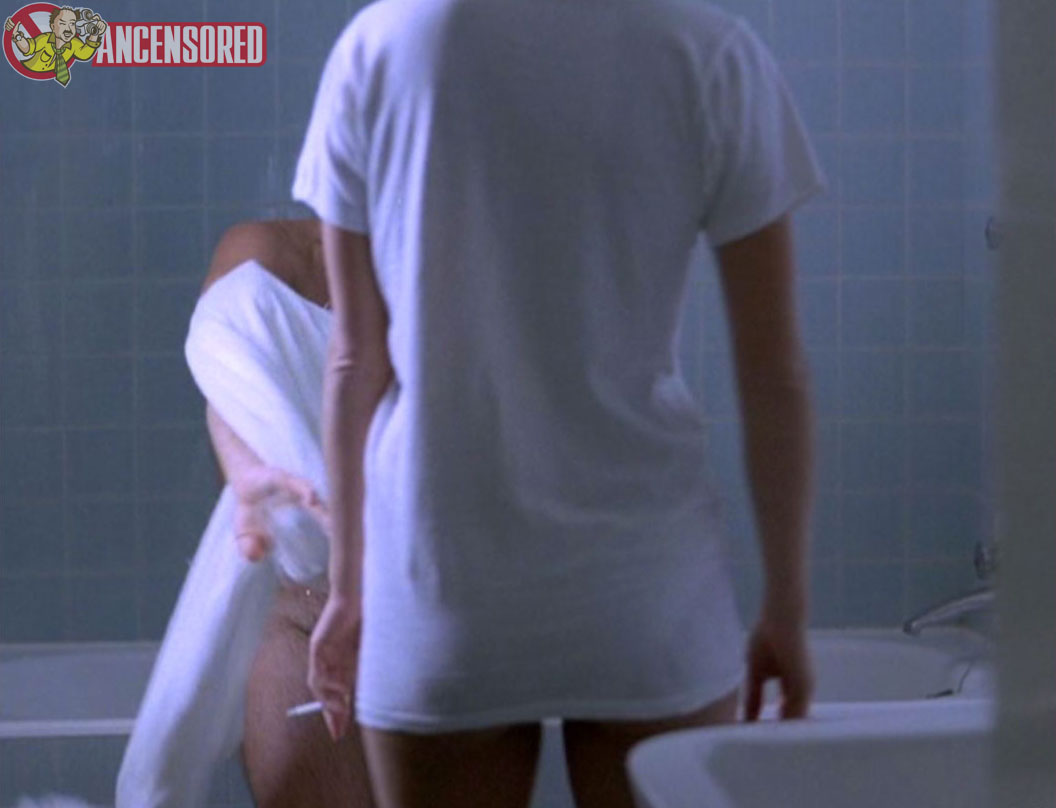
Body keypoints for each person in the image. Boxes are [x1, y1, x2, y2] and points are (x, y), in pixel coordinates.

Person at [294, 2, 824, 806]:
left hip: (441, 589)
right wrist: (786, 605)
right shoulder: (706, 49)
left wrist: (346, 589)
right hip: (647, 599)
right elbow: (773, 370)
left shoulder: (378, 45)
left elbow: (353, 359)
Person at [200, 218, 376, 808]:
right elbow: (229, 375)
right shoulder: (266, 253)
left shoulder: (458, 262)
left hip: (430, 609)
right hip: (304, 607)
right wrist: (245, 468)